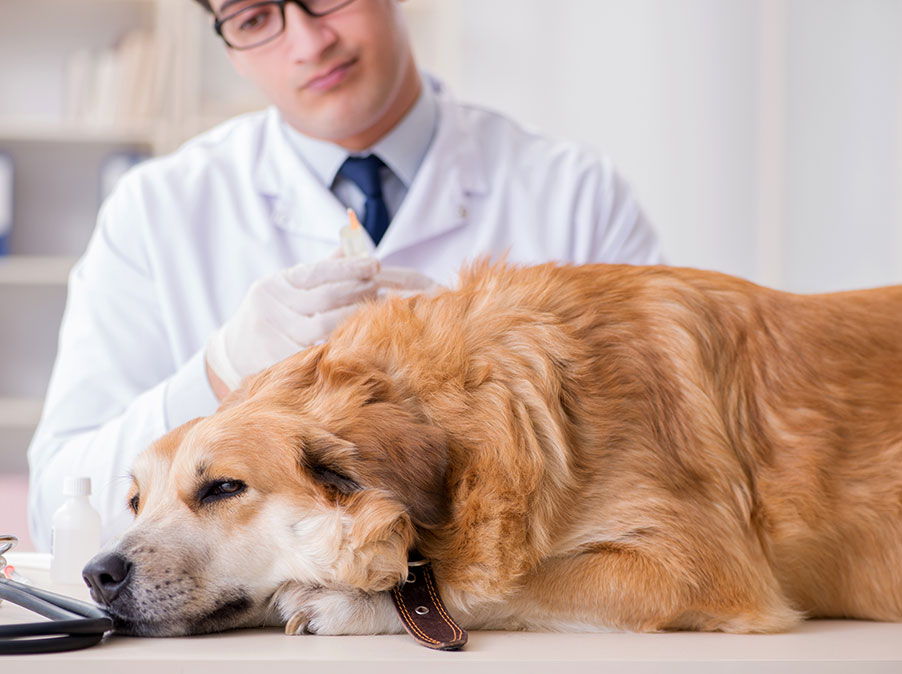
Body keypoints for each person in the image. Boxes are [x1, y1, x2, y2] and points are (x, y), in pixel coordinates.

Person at [27, 0, 663, 551]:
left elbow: (667, 475)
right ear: (230, 49)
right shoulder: (156, 211)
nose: (309, 42)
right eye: (254, 18)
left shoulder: (578, 196)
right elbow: (58, 514)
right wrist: (219, 372)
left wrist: (491, 367)